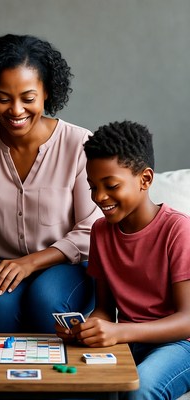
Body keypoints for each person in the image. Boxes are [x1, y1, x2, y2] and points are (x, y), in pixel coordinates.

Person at [0, 33, 102, 333]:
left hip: (68, 267)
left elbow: (90, 230)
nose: (15, 110)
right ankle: (2, 380)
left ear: (47, 92)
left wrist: (30, 263)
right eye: (3, 98)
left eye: (28, 98)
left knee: (46, 298)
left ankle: (57, 379)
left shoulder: (79, 144)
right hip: (2, 265)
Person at [56, 121, 190, 399]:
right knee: (75, 384)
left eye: (111, 185)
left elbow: (187, 320)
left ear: (145, 179)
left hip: (180, 344)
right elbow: (104, 308)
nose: (99, 197)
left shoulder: (177, 230)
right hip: (130, 340)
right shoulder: (101, 231)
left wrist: (120, 332)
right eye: (93, 186)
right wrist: (88, 330)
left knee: (140, 390)